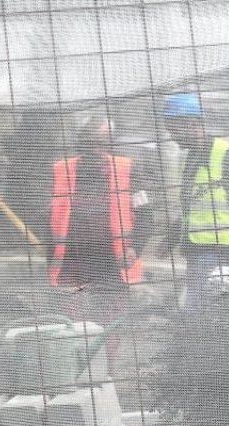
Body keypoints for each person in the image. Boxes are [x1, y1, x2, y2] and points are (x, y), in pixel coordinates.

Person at [48, 115, 152, 377]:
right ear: (80, 140)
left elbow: (146, 214)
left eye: (103, 142)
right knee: (71, 323)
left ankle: (104, 373)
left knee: (109, 322)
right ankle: (74, 372)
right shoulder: (61, 170)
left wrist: (135, 248)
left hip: (111, 264)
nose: (96, 148)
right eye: (90, 141)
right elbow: (47, 216)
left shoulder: (128, 169)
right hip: (72, 262)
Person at [162, 92, 229, 312]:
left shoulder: (225, 155)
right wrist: (170, 240)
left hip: (220, 251)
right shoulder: (190, 160)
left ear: (192, 123)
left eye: (174, 129)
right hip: (197, 250)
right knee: (200, 310)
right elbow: (189, 209)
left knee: (199, 312)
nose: (172, 136)